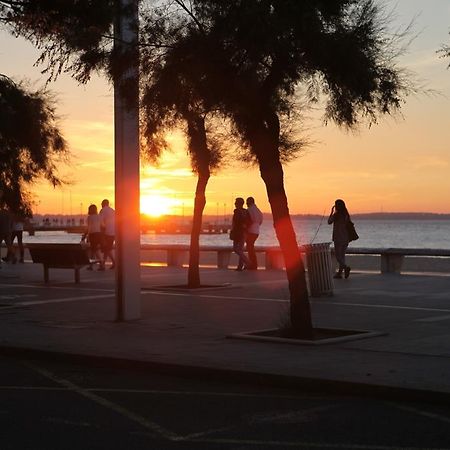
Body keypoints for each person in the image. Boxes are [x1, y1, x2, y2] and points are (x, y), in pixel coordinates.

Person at [328, 198, 351, 279]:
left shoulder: (336, 215)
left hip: (338, 238)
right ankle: (340, 273)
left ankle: (345, 267)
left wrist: (331, 212)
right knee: (342, 256)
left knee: (338, 256)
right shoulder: (346, 215)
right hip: (346, 238)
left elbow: (329, 222)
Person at [231, 197, 250, 271]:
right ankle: (240, 266)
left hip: (238, 233)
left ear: (238, 204)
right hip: (244, 232)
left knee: (236, 249)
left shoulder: (237, 212)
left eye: (236, 203)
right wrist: (245, 226)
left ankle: (247, 262)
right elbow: (249, 221)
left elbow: (236, 223)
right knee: (240, 250)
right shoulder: (246, 211)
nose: (235, 204)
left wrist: (232, 231)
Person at [83, 204, 103, 271]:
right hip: (99, 235)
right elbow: (102, 226)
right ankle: (92, 265)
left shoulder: (89, 217)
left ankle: (101, 264)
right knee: (94, 250)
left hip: (92, 235)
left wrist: (84, 236)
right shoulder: (99, 217)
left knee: (94, 250)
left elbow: (88, 228)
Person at [245, 197, 263, 270]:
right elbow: (260, 221)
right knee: (250, 247)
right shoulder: (258, 211)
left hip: (250, 231)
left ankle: (253, 264)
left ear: (249, 202)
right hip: (257, 231)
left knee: (250, 248)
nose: (246, 203)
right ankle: (253, 264)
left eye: (247, 202)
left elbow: (248, 221)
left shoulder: (249, 210)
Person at [99, 199, 115, 270]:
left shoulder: (102, 210)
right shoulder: (113, 211)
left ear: (103, 204)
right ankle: (103, 264)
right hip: (113, 232)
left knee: (106, 248)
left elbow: (101, 222)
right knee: (107, 248)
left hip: (106, 232)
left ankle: (112, 262)